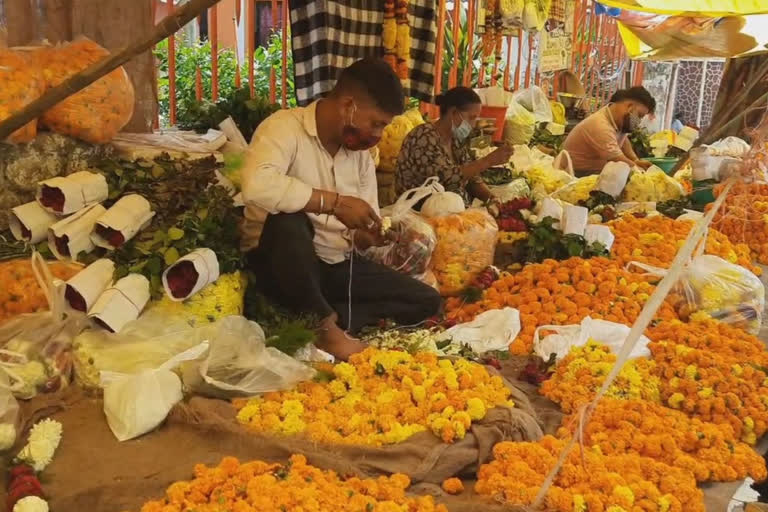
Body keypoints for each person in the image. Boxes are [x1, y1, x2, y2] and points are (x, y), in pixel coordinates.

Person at [239, 58, 442, 361]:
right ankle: (326, 330)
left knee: (426, 301)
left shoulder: (360, 156)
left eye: (383, 127)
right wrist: (332, 203)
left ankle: (313, 312)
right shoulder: (284, 127)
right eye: (376, 123)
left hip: (333, 267)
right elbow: (255, 184)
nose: (378, 135)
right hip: (281, 263)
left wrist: (372, 235)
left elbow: (361, 228)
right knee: (288, 221)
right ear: (349, 105)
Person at [395, 87, 513, 204]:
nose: (473, 125)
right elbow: (445, 180)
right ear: (453, 113)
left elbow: (472, 177)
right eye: (471, 118)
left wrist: (493, 199)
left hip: (453, 210)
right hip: (419, 213)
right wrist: (488, 161)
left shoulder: (456, 139)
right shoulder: (423, 136)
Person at [563, 86, 656, 176]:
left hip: (597, 172)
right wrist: (640, 171)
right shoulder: (600, 125)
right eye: (639, 115)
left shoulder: (617, 120)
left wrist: (635, 160)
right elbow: (617, 159)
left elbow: (624, 140)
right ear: (630, 107)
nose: (638, 121)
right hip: (578, 175)